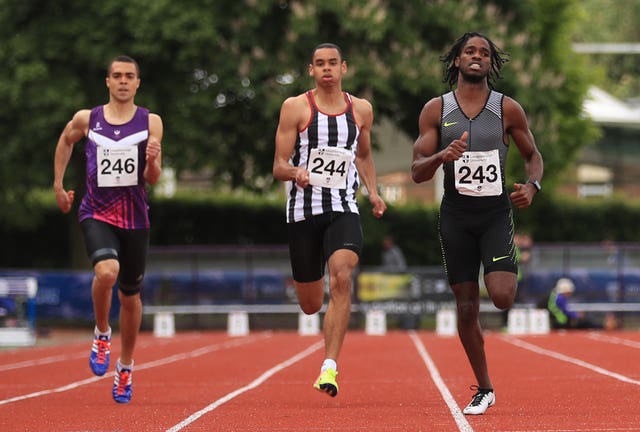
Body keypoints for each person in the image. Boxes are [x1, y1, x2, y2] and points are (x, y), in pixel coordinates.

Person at [411, 32, 544, 415]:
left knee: (502, 296)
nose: (477, 57)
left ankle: (496, 269)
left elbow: (533, 155)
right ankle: (484, 387)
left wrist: (532, 186)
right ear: (457, 60)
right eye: (470, 51)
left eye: (484, 53)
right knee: (467, 307)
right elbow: (417, 171)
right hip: (455, 216)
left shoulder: (508, 109)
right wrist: (441, 156)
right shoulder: (436, 110)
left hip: (495, 213)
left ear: (491, 64)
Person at [273, 42, 387, 398]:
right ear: (311, 70)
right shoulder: (295, 108)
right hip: (303, 211)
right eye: (319, 63)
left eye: (332, 63)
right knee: (309, 304)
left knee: (342, 275)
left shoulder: (361, 110)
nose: (326, 69)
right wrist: (296, 172)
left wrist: (373, 191)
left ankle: (329, 367)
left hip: (343, 207)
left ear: (344, 68)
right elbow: (278, 166)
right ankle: (316, 298)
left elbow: (364, 157)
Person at [53, 55, 163, 404]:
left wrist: (153, 161)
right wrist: (58, 184)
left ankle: (126, 365)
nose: (123, 81)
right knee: (106, 271)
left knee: (130, 297)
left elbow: (152, 179)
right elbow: (66, 140)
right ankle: (102, 332)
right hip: (96, 212)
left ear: (137, 83)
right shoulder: (88, 119)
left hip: (134, 219)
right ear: (108, 81)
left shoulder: (151, 121)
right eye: (117, 76)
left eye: (129, 76)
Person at [541, 277, 618, 330]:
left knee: (584, 321)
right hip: (562, 323)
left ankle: (603, 325)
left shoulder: (554, 295)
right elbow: (565, 312)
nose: (570, 294)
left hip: (559, 322)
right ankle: (604, 326)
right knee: (584, 322)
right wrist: (576, 315)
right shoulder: (560, 297)